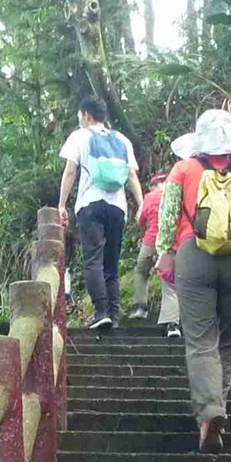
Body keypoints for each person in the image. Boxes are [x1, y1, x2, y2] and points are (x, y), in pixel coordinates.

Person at [154, 109, 231, 451]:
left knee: (201, 339)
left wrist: (165, 252)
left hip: (195, 255)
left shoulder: (183, 169)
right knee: (228, 341)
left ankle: (209, 412)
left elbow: (167, 218)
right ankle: (219, 408)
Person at [57, 96, 143, 331]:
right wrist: (142, 205)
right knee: (111, 264)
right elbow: (132, 176)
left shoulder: (80, 136)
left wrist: (61, 205)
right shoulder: (122, 140)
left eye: (80, 115)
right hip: (118, 207)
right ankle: (114, 315)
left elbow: (70, 171)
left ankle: (101, 312)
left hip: (90, 204)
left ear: (86, 115)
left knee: (93, 259)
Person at [128, 169, 179, 332]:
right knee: (169, 280)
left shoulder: (149, 197)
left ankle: (140, 307)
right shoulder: (176, 194)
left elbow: (140, 220)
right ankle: (172, 321)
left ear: (153, 185)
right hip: (171, 243)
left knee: (141, 270)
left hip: (151, 241)